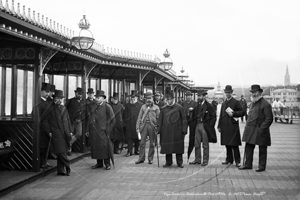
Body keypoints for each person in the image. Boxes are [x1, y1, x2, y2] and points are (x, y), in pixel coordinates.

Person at [239, 84, 273, 172]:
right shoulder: (252, 103)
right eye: (252, 92)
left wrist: (262, 129)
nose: (254, 94)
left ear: (260, 93)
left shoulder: (265, 104)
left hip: (261, 130)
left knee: (262, 149)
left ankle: (262, 166)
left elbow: (269, 118)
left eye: (256, 92)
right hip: (251, 130)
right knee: (248, 147)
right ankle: (248, 164)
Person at [42, 90, 72, 176]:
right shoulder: (50, 108)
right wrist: (49, 131)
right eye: (57, 98)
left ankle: (60, 171)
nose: (59, 100)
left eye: (60, 98)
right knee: (61, 152)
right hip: (56, 133)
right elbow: (44, 121)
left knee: (62, 152)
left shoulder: (64, 108)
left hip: (65, 133)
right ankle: (68, 165)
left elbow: (68, 121)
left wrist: (70, 131)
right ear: (54, 98)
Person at [86, 90, 116, 170]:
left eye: (98, 97)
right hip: (94, 131)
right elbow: (90, 119)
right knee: (96, 147)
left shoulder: (107, 107)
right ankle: (99, 163)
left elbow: (113, 120)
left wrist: (107, 130)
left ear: (103, 98)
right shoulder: (93, 106)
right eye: (96, 97)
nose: (96, 99)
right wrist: (87, 130)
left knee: (104, 148)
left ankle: (107, 164)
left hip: (103, 132)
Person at [157, 88, 187, 168]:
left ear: (173, 99)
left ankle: (179, 162)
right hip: (166, 131)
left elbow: (184, 119)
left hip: (177, 131)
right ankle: (168, 162)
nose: (168, 101)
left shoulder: (179, 108)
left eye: (170, 99)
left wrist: (184, 130)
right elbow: (160, 120)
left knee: (178, 148)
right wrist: (158, 130)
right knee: (168, 148)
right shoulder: (163, 109)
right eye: (167, 99)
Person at [218, 85, 245, 167]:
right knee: (227, 144)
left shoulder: (236, 102)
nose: (228, 94)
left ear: (231, 93)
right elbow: (221, 115)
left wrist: (234, 114)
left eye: (229, 92)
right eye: (226, 92)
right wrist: (219, 125)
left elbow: (242, 112)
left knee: (234, 144)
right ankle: (229, 159)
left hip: (233, 126)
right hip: (225, 126)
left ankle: (237, 161)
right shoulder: (224, 103)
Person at [189, 89, 217, 166]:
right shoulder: (197, 105)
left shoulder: (209, 105)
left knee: (205, 144)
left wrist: (210, 125)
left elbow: (213, 116)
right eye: (198, 95)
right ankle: (197, 159)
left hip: (205, 126)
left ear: (204, 96)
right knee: (196, 143)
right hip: (197, 125)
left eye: (200, 95)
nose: (199, 97)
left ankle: (205, 160)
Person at [135, 92, 160, 164]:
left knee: (152, 143)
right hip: (144, 126)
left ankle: (150, 158)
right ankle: (141, 158)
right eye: (147, 98)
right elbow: (139, 117)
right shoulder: (143, 107)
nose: (149, 100)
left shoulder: (156, 108)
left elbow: (158, 118)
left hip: (152, 126)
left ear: (153, 99)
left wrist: (158, 128)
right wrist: (137, 127)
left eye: (150, 98)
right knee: (142, 143)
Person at [33, 83, 52, 168]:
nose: (47, 94)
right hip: (40, 128)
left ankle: (44, 161)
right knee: (42, 146)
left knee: (46, 145)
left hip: (47, 127)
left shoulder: (47, 102)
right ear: (41, 92)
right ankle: (41, 162)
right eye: (45, 92)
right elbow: (34, 114)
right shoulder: (38, 102)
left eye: (48, 92)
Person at [124, 90, 143, 157]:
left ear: (137, 98)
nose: (132, 99)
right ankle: (129, 151)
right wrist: (125, 124)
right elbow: (125, 115)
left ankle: (137, 150)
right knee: (129, 138)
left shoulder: (141, 105)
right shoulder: (128, 105)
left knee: (137, 138)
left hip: (137, 124)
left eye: (134, 97)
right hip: (129, 125)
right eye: (131, 98)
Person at [65, 87, 84, 155]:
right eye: (78, 94)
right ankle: (69, 149)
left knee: (79, 134)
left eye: (81, 94)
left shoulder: (83, 102)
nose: (80, 95)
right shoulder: (70, 101)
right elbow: (65, 110)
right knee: (70, 134)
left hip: (79, 121)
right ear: (75, 93)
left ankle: (68, 143)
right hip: (71, 120)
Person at [181, 91, 197, 158]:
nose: (188, 97)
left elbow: (197, 111)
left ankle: (191, 145)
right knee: (183, 132)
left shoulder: (194, 103)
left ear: (191, 96)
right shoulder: (183, 103)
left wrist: (193, 110)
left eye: (189, 95)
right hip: (185, 120)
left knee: (192, 133)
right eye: (187, 95)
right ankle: (181, 144)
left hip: (191, 120)